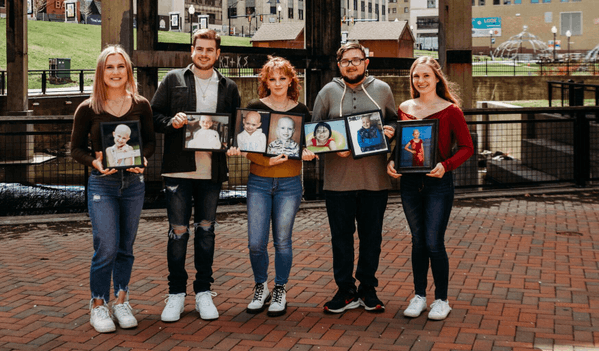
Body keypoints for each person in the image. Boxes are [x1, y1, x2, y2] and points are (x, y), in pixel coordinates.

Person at [151, 29, 241, 322]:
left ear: (218, 54)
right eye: (199, 48)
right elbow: (153, 116)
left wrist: (234, 144)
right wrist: (171, 122)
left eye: (210, 50)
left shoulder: (229, 87)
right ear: (192, 50)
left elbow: (236, 128)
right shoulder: (173, 80)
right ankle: (176, 293)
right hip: (179, 167)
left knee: (206, 231)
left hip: (212, 170)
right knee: (178, 232)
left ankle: (203, 291)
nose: (204, 54)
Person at [303, 42, 397, 314]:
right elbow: (313, 134)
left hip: (374, 180)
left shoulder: (383, 90)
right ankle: (345, 291)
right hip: (337, 181)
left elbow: (394, 121)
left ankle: (368, 288)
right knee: (341, 239)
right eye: (346, 61)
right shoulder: (328, 92)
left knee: (371, 238)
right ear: (339, 64)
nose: (352, 65)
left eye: (357, 60)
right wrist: (330, 147)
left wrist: (390, 129)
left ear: (366, 63)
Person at [70, 45, 156, 333]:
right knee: (106, 246)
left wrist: (144, 159)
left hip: (133, 184)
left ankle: (121, 299)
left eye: (121, 66)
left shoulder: (141, 104)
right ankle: (98, 304)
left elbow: (151, 142)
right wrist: (94, 163)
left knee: (125, 247)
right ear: (101, 72)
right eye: (110, 67)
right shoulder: (88, 107)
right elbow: (75, 149)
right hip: (103, 184)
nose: (116, 72)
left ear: (128, 70)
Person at [387, 56, 474, 320]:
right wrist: (392, 161)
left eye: (426, 75)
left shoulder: (451, 110)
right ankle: (419, 296)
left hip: (438, 183)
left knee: (433, 242)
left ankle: (442, 300)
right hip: (410, 184)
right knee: (417, 241)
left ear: (437, 78)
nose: (421, 81)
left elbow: (468, 148)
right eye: (416, 76)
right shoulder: (404, 108)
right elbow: (400, 146)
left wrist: (446, 166)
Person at [227, 56, 311, 317]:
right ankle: (261, 285)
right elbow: (247, 145)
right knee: (256, 243)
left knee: (283, 241)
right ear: (265, 81)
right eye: (272, 79)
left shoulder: (301, 111)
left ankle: (280, 289)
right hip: (259, 182)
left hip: (289, 183)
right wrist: (266, 160)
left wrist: (310, 152)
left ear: (291, 81)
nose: (277, 83)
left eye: (282, 78)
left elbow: (306, 145)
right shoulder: (255, 107)